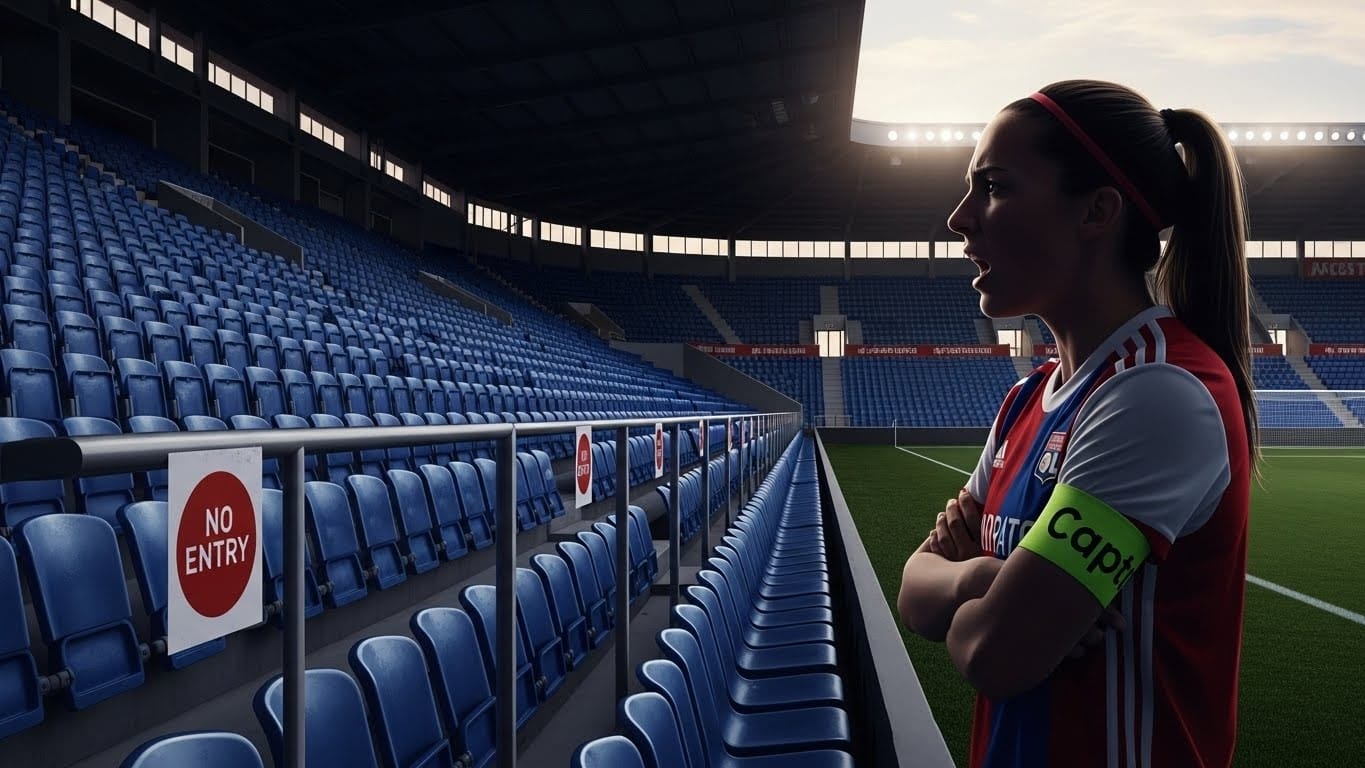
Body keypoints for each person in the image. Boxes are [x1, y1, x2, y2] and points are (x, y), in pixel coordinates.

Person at [896, 80, 1255, 768]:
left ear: (1096, 211)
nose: (958, 218)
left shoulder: (1157, 392)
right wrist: (979, 582)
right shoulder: (1025, 399)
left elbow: (996, 655)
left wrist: (971, 593)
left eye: (994, 187)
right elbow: (914, 592)